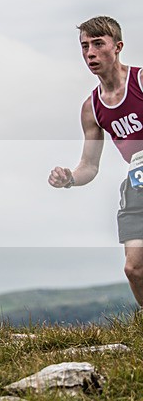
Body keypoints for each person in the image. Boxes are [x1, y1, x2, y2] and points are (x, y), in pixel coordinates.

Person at [49, 16, 143, 306]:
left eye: (98, 44)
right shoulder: (92, 108)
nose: (90, 53)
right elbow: (89, 165)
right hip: (137, 186)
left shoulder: (140, 81)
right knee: (134, 269)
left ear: (117, 47)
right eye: (84, 46)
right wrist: (70, 179)